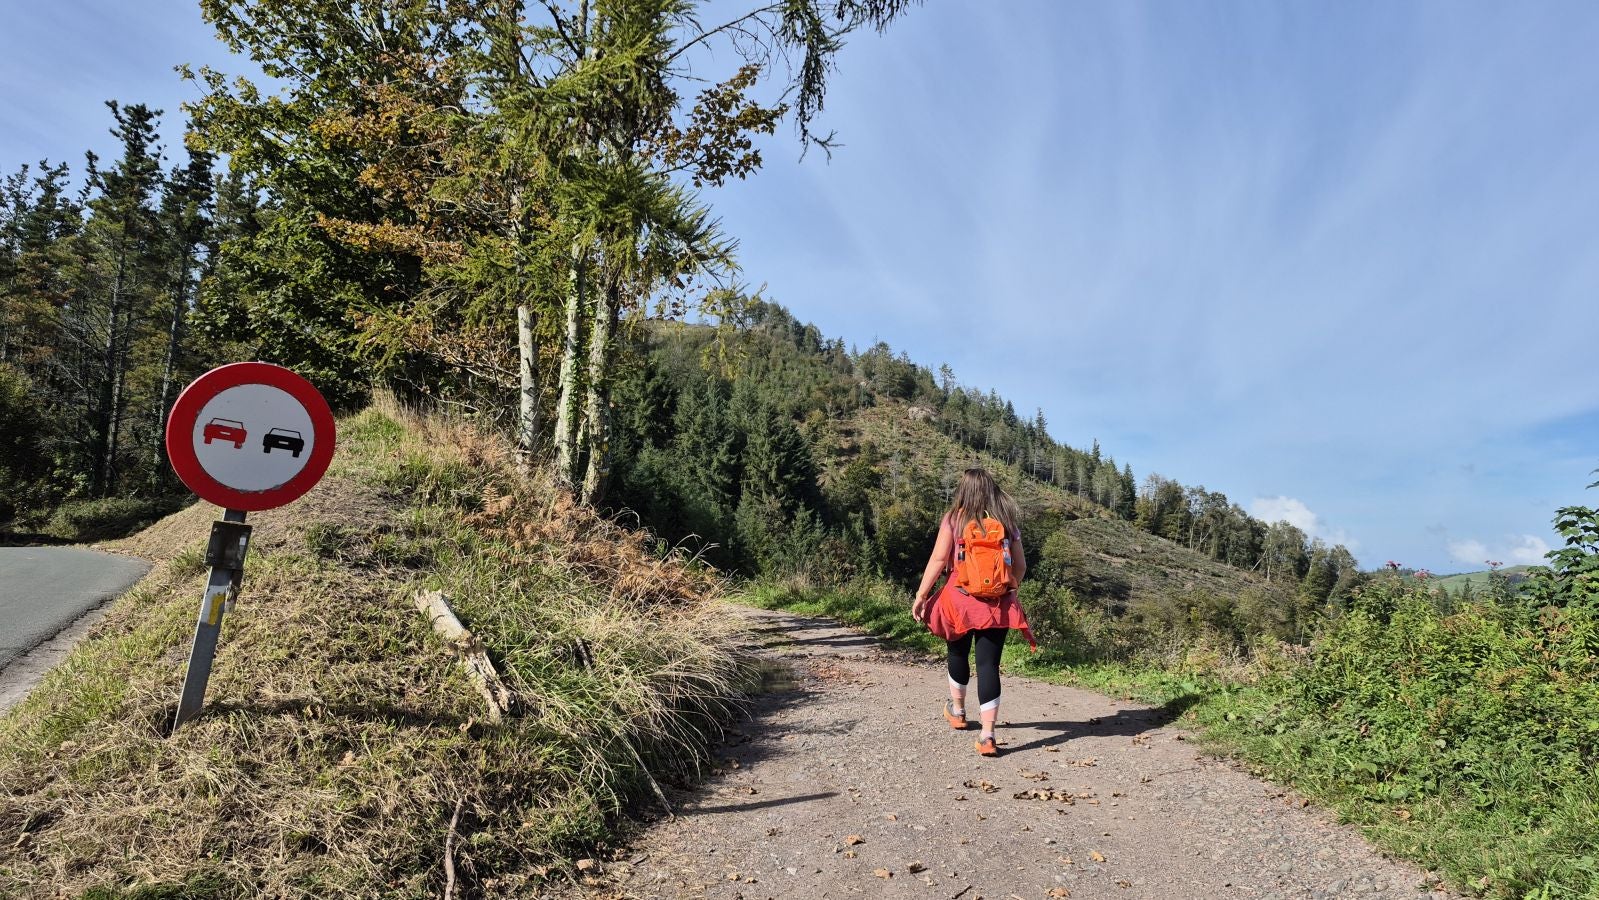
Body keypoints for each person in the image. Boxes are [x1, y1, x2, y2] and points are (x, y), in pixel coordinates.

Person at [911, 468, 1034, 757]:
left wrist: (921, 595)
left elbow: (939, 559)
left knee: (957, 652)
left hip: (959, 599)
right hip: (997, 604)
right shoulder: (1006, 520)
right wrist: (1010, 589)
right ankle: (988, 736)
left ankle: (958, 711)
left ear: (963, 490)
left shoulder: (955, 518)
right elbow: (1020, 566)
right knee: (988, 665)